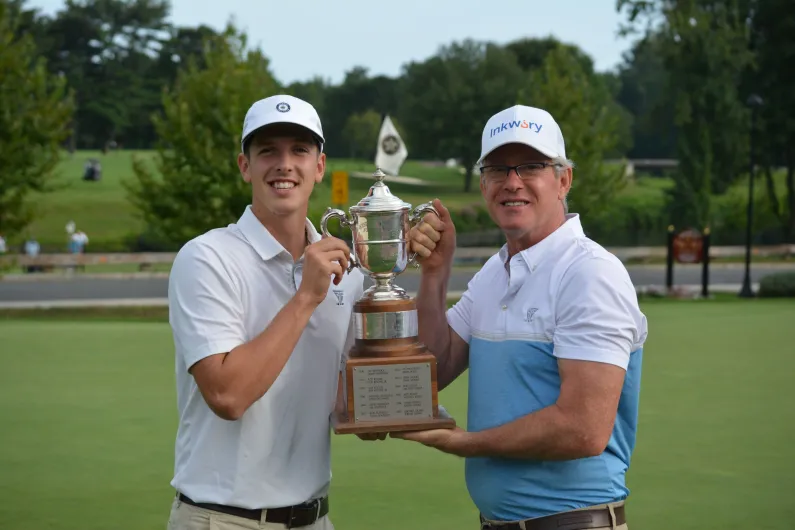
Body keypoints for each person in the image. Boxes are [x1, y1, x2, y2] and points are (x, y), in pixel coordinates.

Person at [397, 105, 648, 530]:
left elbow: (583, 428)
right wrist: (436, 272)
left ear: (563, 179)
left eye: (530, 165)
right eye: (497, 168)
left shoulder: (589, 272)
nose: (512, 182)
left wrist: (468, 444)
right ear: (483, 183)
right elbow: (431, 372)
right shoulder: (495, 273)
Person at [166, 94, 364, 530]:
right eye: (267, 151)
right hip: (221, 518)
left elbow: (351, 403)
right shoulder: (206, 257)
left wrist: (434, 272)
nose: (284, 164)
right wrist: (306, 297)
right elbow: (227, 396)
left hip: (315, 517)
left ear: (320, 166)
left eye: (299, 150)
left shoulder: (347, 271)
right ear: (244, 166)